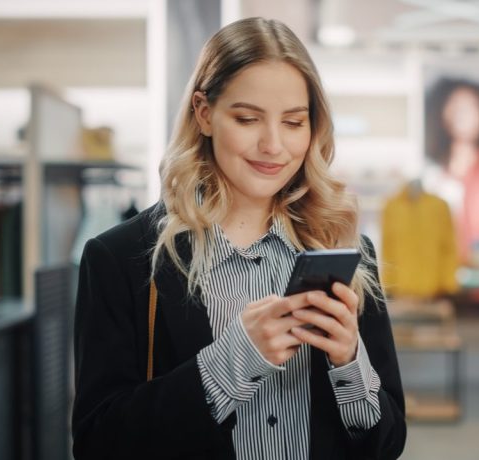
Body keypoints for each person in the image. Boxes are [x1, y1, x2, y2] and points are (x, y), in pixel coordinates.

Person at [72, 17, 406, 459]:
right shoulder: (120, 259)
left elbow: (387, 444)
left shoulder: (346, 254)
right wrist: (234, 359)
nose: (273, 145)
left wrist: (350, 363)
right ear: (204, 113)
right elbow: (98, 442)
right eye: (247, 118)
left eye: (293, 122)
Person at [424, 77, 479, 258]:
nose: (463, 114)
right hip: (445, 254)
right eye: (456, 106)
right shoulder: (436, 172)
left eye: (471, 107)